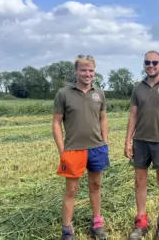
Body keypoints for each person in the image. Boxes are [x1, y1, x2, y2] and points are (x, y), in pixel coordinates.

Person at [124, 50, 159, 240]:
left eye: (154, 62)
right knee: (140, 182)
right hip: (140, 142)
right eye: (147, 62)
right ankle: (141, 223)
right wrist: (128, 141)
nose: (151, 65)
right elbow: (133, 115)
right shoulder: (138, 88)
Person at [52, 55, 110, 240]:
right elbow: (56, 123)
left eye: (91, 70)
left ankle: (97, 223)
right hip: (73, 150)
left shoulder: (99, 93)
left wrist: (105, 141)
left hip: (97, 148)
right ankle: (67, 230)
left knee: (95, 185)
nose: (87, 74)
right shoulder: (63, 94)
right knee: (71, 190)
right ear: (76, 71)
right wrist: (63, 151)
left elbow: (103, 118)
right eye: (83, 70)